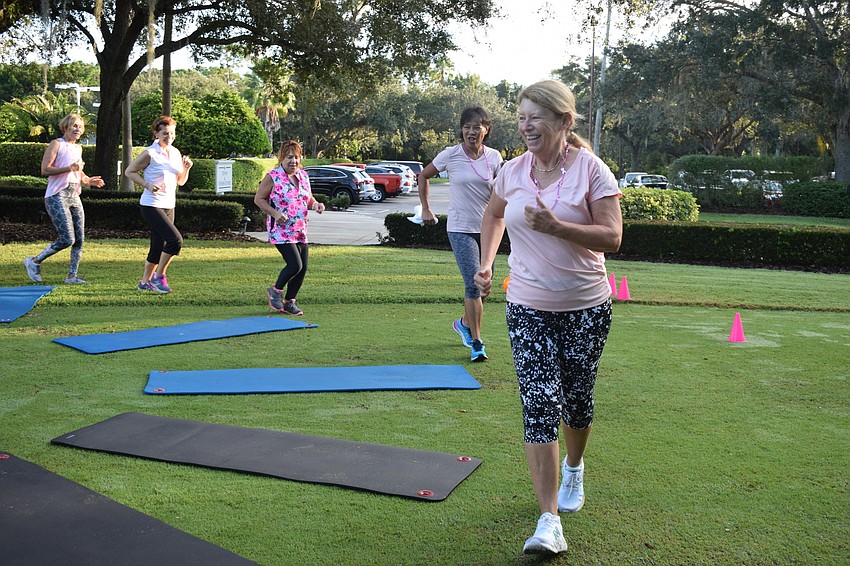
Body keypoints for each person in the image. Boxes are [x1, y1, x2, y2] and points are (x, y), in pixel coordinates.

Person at [473, 80, 623, 555]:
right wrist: (487, 261)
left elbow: (612, 237)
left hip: (586, 306)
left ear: (564, 122)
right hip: (528, 305)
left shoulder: (592, 171)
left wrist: (558, 226)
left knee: (577, 399)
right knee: (539, 401)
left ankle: (574, 469)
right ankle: (548, 521)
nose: (526, 125)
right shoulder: (512, 171)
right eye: (521, 117)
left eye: (536, 116)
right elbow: (494, 216)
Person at [418, 106, 503, 362]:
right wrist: (426, 209)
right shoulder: (450, 155)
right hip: (460, 228)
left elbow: (504, 189)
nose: (471, 131)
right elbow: (424, 175)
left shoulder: (494, 157)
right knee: (474, 283)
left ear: (486, 130)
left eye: (477, 127)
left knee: (485, 286)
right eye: (467, 126)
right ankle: (477, 343)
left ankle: (465, 323)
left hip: (488, 231)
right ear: (461, 130)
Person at [24, 113, 105, 284]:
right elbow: (45, 170)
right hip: (56, 195)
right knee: (68, 239)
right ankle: (34, 261)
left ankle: (71, 276)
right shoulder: (56, 144)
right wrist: (69, 168)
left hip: (74, 195)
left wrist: (88, 180)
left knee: (80, 239)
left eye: (80, 127)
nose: (78, 129)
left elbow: (78, 171)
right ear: (66, 126)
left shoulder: (78, 148)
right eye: (75, 126)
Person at [254, 140, 325, 316]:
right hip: (281, 230)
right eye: (289, 157)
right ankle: (275, 291)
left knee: (303, 268)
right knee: (295, 265)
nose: (293, 161)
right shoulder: (273, 176)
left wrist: (315, 204)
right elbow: (259, 199)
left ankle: (290, 302)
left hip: (300, 228)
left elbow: (307, 197)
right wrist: (275, 213)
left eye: (296, 157)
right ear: (282, 158)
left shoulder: (303, 176)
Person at [124, 116, 193, 293]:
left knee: (157, 245)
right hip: (151, 204)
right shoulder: (150, 153)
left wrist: (186, 168)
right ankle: (158, 277)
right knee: (175, 240)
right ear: (156, 133)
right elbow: (129, 171)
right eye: (164, 133)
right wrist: (146, 184)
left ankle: (144, 282)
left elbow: (181, 182)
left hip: (169, 204)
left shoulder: (176, 153)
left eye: (171, 133)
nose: (168, 136)